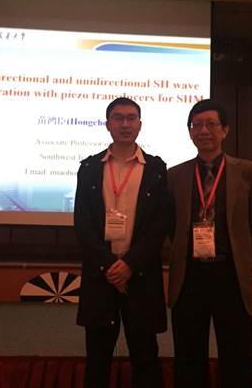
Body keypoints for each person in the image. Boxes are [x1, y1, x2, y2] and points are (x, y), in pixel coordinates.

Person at [167, 99, 252, 388]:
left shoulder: (249, 172)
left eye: (211, 124)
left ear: (225, 130)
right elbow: (169, 225)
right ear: (190, 132)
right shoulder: (175, 175)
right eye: (197, 125)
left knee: (237, 354)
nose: (204, 131)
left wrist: (241, 254)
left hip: (230, 276)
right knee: (188, 355)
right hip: (189, 276)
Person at [74, 97, 167, 388]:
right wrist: (110, 266)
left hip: (141, 275)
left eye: (131, 118)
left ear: (139, 124)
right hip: (100, 276)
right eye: (118, 118)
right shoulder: (89, 168)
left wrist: (129, 265)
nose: (125, 124)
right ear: (107, 125)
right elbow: (82, 223)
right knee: (97, 358)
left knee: (146, 356)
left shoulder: (156, 169)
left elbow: (159, 226)